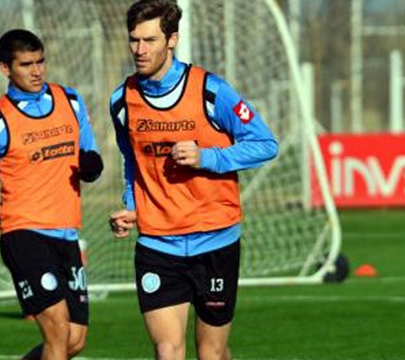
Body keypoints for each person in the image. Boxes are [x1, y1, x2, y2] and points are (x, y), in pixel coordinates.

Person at [108, 1, 278, 359]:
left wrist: (208, 157)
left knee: (211, 353)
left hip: (215, 240)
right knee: (168, 350)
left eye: (150, 40)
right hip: (158, 245)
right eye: (134, 40)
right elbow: (132, 161)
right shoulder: (122, 101)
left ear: (172, 39)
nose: (140, 50)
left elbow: (265, 144)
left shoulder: (210, 91)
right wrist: (131, 206)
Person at [0, 29, 103, 360]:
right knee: (58, 331)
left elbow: (90, 155)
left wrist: (92, 166)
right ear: (5, 69)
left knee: (75, 341)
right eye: (26, 64)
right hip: (24, 235)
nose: (37, 71)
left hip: (67, 235)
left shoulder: (71, 102)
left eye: (40, 62)